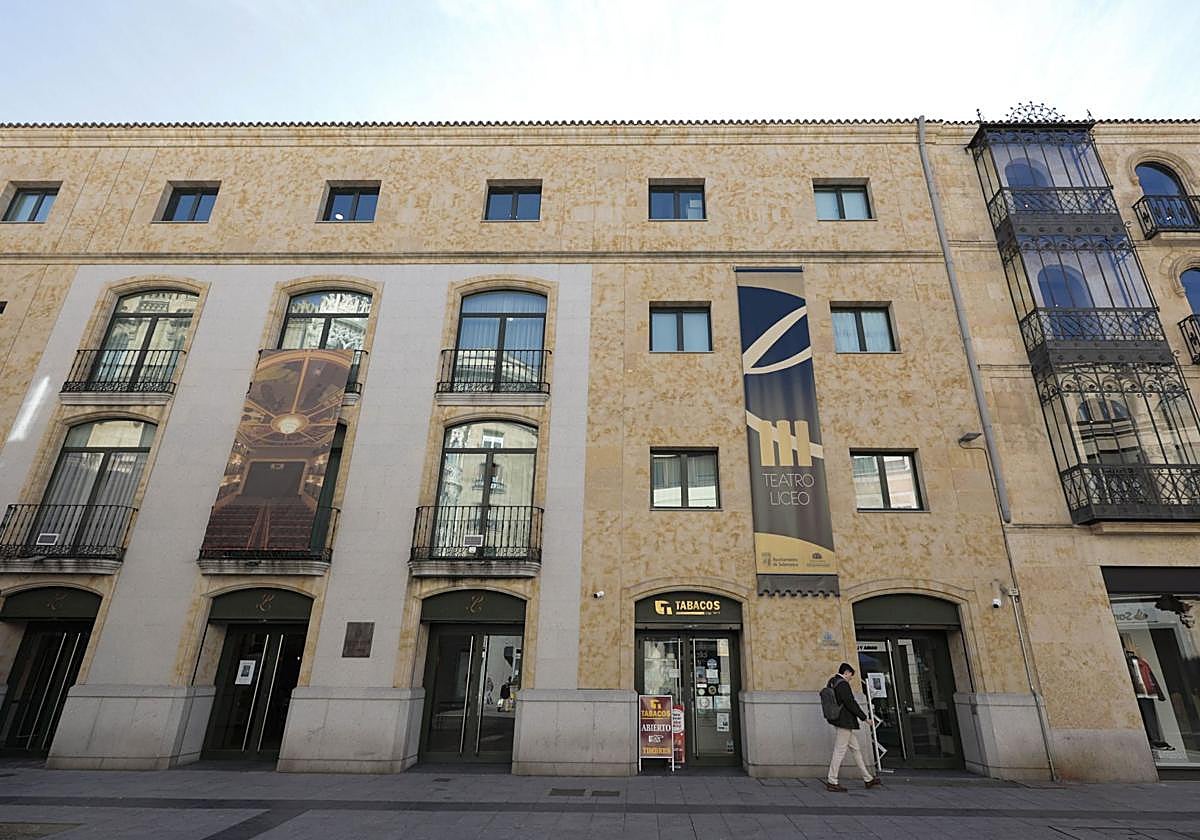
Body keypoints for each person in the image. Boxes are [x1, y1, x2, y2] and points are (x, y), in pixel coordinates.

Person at [824, 662, 881, 792]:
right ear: (846, 672)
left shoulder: (832, 681)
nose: (851, 678)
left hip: (839, 720)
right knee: (839, 751)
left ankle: (868, 778)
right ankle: (832, 781)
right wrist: (865, 718)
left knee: (856, 749)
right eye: (851, 675)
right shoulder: (842, 684)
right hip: (845, 722)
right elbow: (850, 703)